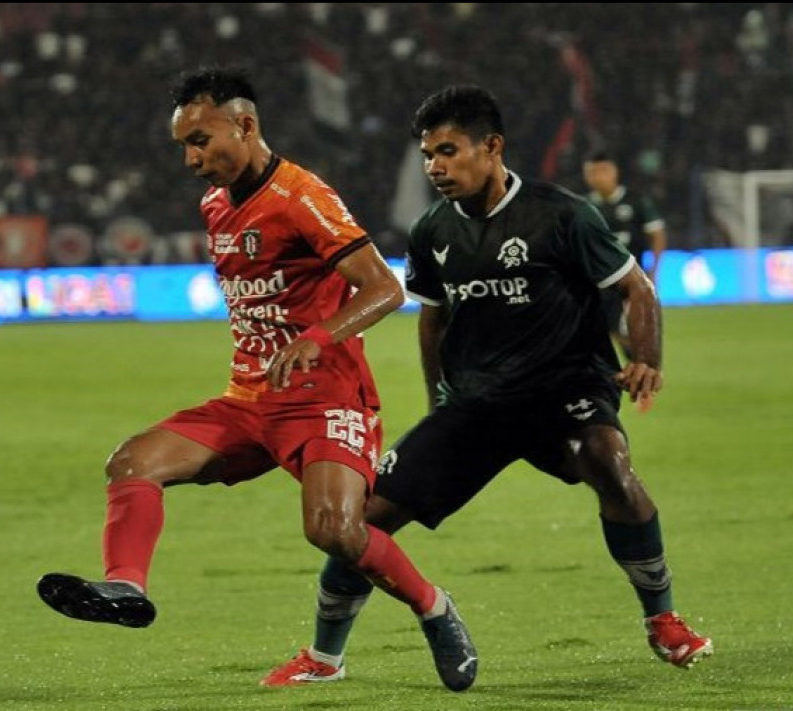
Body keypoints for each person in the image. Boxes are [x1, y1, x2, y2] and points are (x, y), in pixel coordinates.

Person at [37, 68, 479, 692]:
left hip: (324, 397)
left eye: (200, 140)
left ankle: (434, 607)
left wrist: (316, 337)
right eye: (183, 146)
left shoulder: (302, 196)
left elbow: (383, 288)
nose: (191, 159)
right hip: (249, 400)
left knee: (334, 531)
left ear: (245, 125)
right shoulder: (216, 204)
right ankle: (125, 587)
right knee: (133, 462)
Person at [264, 85, 712, 687]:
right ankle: (323, 658)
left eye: (447, 151)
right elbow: (433, 318)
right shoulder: (430, 231)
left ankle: (664, 621)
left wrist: (648, 359)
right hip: (477, 404)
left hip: (565, 390)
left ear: (492, 147)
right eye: (428, 155)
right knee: (361, 519)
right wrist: (435, 405)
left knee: (608, 461)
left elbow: (638, 288)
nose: (435, 167)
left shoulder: (564, 214)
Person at [582, 151, 667, 360]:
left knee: (629, 331)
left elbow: (656, 235)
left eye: (602, 171)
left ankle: (643, 371)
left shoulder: (636, 201)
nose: (597, 176)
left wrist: (653, 272)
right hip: (596, 284)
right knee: (605, 332)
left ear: (614, 173)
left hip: (629, 283)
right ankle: (636, 369)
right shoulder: (582, 206)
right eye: (592, 172)